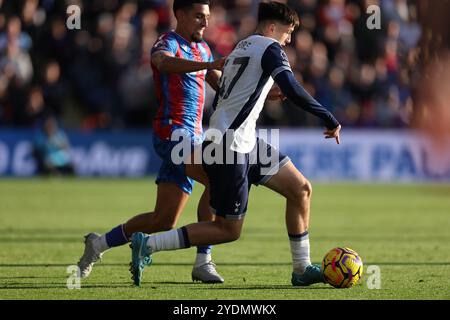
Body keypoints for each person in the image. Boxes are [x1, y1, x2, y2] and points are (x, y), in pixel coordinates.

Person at [129, 1, 341, 287]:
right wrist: (327, 117)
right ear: (270, 28)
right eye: (287, 32)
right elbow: (292, 87)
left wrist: (264, 96)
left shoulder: (242, 46)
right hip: (230, 145)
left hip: (240, 139)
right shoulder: (270, 48)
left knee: (301, 189)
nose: (288, 39)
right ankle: (149, 245)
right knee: (228, 230)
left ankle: (302, 268)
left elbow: (226, 97)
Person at [77, 0, 227, 283]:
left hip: (192, 136)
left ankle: (97, 245)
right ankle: (203, 261)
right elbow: (161, 63)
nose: (205, 23)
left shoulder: (203, 48)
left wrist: (264, 95)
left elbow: (220, 84)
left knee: (163, 220)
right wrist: (208, 64)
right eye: (198, 17)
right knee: (218, 177)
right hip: (171, 132)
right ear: (180, 14)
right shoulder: (167, 42)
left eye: (207, 17)